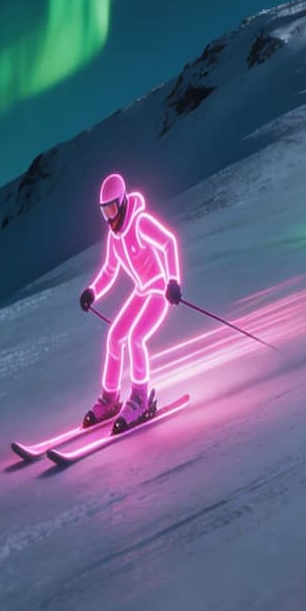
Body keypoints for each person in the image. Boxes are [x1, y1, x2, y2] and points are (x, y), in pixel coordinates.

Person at [78, 173, 182, 434]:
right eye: (104, 212)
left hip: (158, 288)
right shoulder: (115, 238)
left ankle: (140, 399)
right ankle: (110, 399)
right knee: (115, 337)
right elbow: (110, 271)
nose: (109, 217)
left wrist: (173, 281)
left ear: (123, 203)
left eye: (112, 209)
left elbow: (168, 243)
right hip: (141, 291)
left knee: (136, 338)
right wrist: (92, 291)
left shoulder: (140, 223)